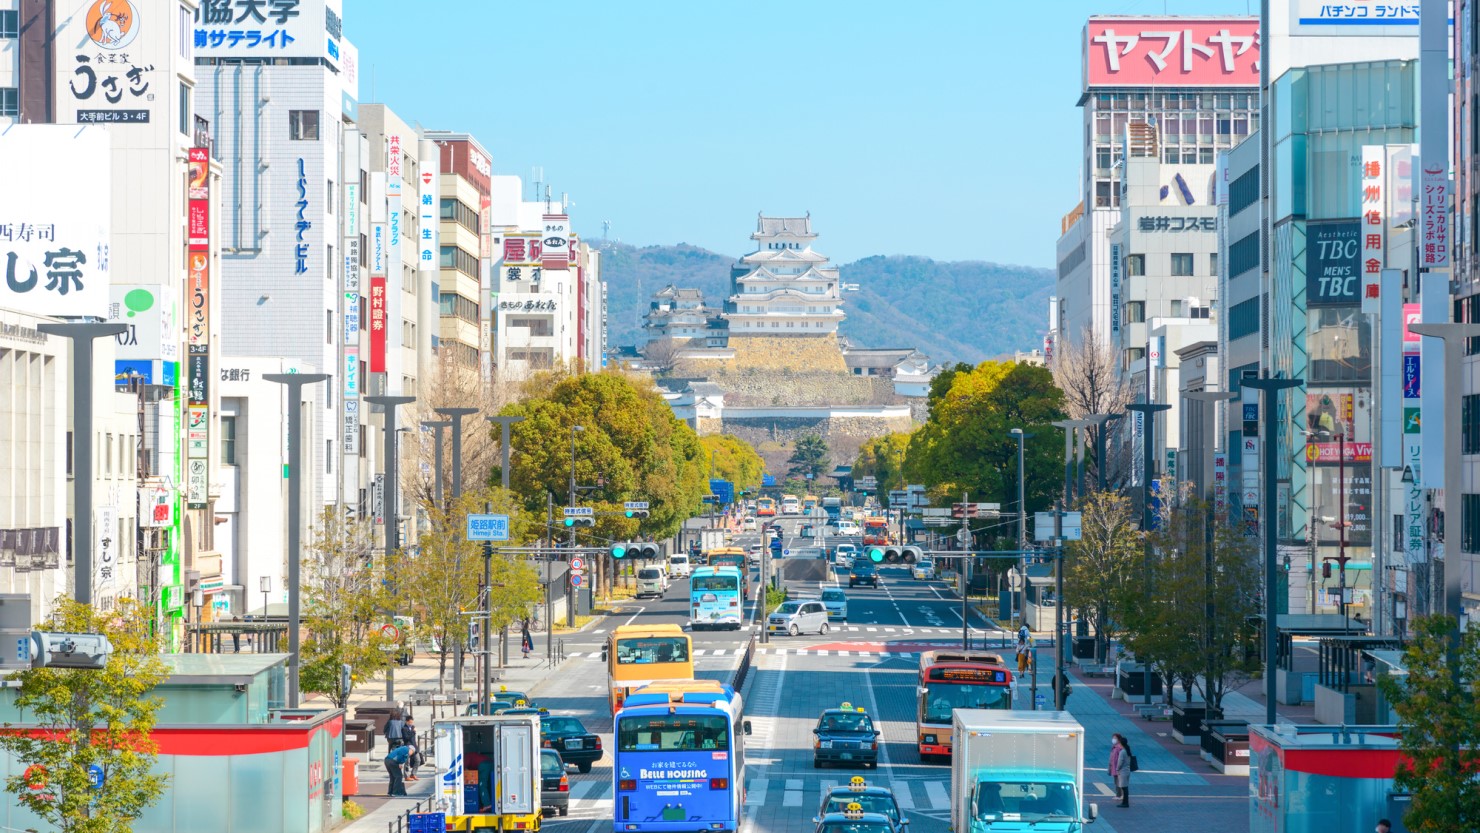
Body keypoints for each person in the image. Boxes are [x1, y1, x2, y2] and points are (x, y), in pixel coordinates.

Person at [1108, 733, 1133, 807]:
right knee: (1124, 787)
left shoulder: (1122, 751)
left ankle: (1125, 802)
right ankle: (1124, 801)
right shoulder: (1127, 751)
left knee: (1123, 787)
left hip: (1122, 771)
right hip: (1126, 770)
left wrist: (1117, 769)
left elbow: (1120, 762)